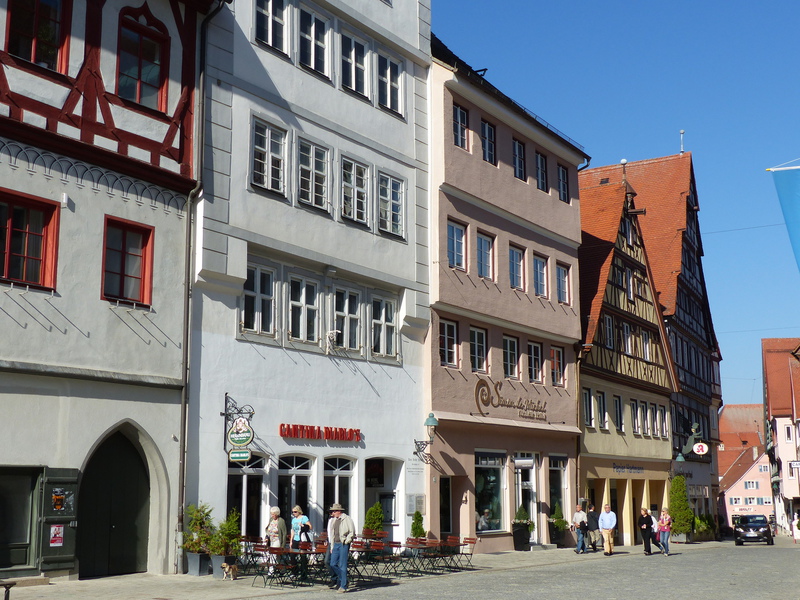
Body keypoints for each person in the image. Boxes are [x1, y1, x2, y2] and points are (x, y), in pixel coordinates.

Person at [328, 503, 356, 593]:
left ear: (339, 511)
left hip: (343, 543)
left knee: (342, 565)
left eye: (334, 511)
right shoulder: (334, 520)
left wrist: (347, 541)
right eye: (332, 511)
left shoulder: (347, 519)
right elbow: (332, 534)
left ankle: (343, 586)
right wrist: (332, 546)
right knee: (332, 564)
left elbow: (352, 532)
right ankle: (344, 579)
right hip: (335, 544)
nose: (333, 513)